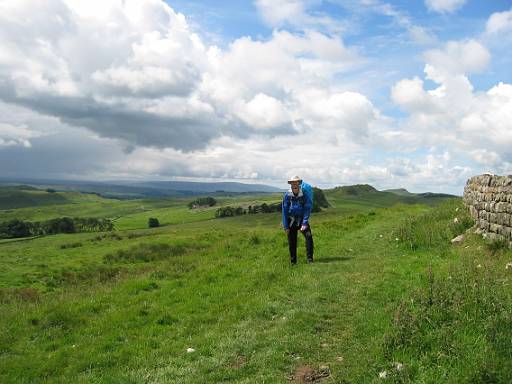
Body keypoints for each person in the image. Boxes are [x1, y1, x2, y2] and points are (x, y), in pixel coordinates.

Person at [282, 176, 314, 264]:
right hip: (291, 221)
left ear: (299, 183)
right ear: (291, 185)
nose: (294, 184)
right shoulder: (287, 195)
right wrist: (286, 226)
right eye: (293, 183)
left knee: (308, 237)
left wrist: (304, 223)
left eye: (296, 183)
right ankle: (293, 262)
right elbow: (284, 210)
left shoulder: (304, 195)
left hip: (302, 220)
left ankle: (310, 259)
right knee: (292, 241)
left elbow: (307, 208)